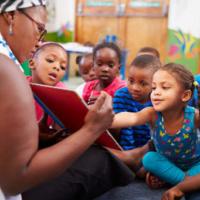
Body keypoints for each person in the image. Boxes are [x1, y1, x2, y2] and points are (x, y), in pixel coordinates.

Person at [0, 1, 134, 200]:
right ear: (10, 16)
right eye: (39, 29)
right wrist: (92, 129)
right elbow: (14, 182)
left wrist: (37, 137)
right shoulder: (7, 70)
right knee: (98, 158)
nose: (38, 42)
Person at [112, 63, 200, 189]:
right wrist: (105, 120)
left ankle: (179, 182)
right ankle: (189, 184)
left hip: (196, 166)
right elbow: (131, 117)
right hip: (168, 164)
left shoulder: (194, 116)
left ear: (185, 95)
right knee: (149, 159)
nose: (156, 93)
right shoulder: (152, 114)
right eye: (154, 88)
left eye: (164, 87)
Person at [113, 54, 161, 150]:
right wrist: (128, 154)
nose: (135, 88)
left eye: (143, 83)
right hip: (125, 150)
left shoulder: (158, 99)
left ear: (155, 83)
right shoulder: (121, 96)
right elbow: (125, 130)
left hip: (151, 150)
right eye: (131, 81)